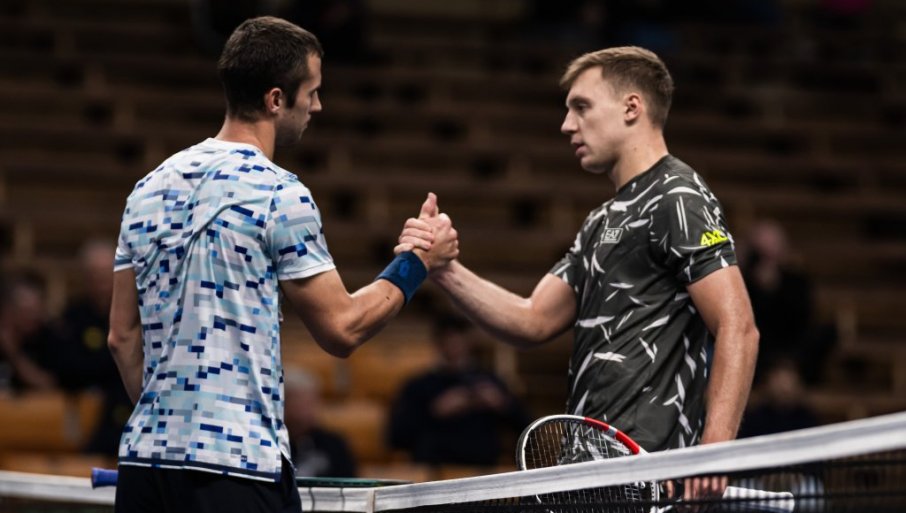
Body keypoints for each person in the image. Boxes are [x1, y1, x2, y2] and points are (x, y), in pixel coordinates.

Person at [108, 16, 458, 513]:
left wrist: (172, 422)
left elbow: (121, 338)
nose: (318, 105)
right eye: (311, 92)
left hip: (144, 466)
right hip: (236, 468)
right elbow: (342, 328)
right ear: (276, 100)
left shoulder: (147, 189)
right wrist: (417, 262)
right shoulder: (278, 193)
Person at [399, 46, 758, 499]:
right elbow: (532, 319)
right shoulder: (600, 221)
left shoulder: (678, 196)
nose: (567, 125)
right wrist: (443, 268)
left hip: (652, 475)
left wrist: (713, 455)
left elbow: (738, 327)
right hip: (588, 475)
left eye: (581, 107)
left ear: (632, 107)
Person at [387, 314, 531, 466]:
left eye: (459, 339)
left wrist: (503, 404)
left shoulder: (490, 382)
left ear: (469, 342)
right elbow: (396, 437)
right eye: (448, 339)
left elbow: (526, 429)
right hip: (435, 468)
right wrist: (434, 411)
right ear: (438, 343)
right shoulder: (419, 385)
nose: (454, 345)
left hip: (483, 469)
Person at [284, 368, 357, 478]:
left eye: (312, 402)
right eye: (301, 403)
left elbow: (349, 483)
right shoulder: (273, 444)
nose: (310, 409)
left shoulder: (333, 445)